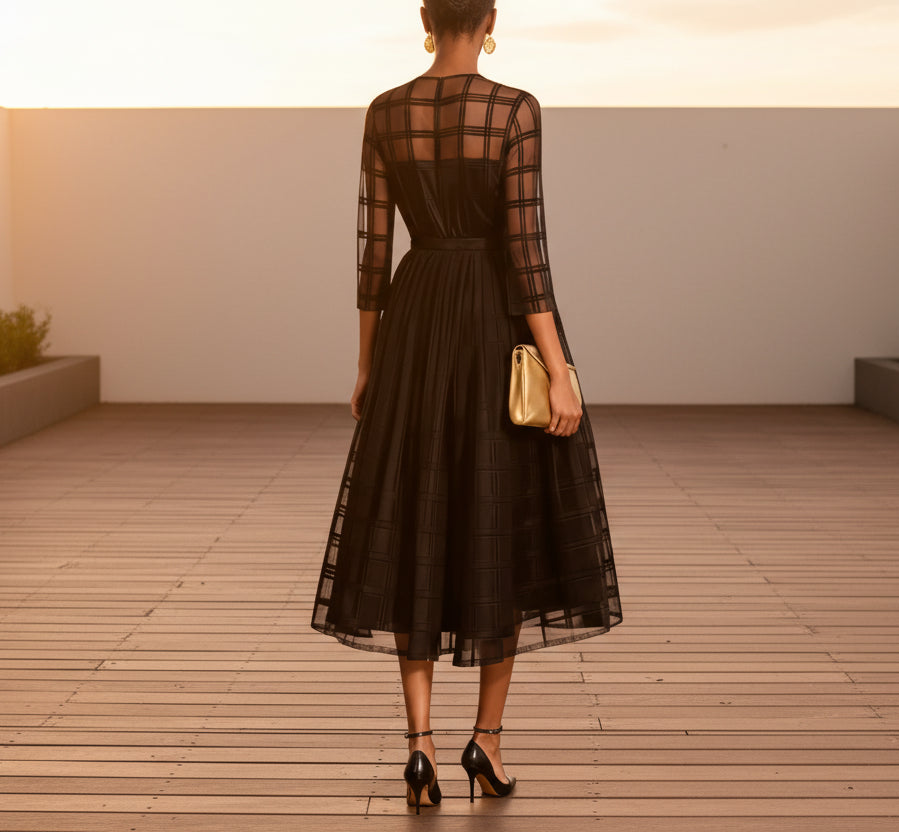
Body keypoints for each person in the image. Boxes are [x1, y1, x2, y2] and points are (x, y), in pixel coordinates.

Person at [310, 0, 623, 814]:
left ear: (424, 16)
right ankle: (484, 740)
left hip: (414, 325)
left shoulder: (386, 112)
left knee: (414, 517)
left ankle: (417, 749)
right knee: (499, 521)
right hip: (490, 323)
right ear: (489, 19)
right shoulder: (513, 109)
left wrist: (366, 365)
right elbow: (527, 251)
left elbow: (372, 253)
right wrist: (559, 370)